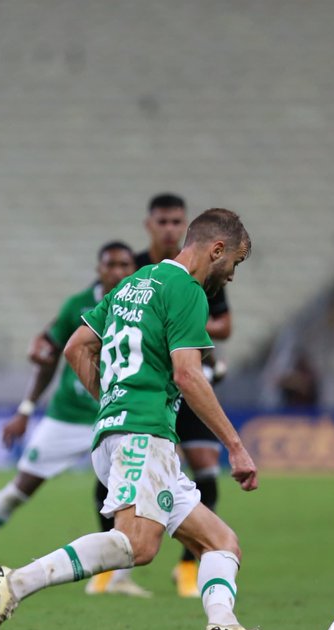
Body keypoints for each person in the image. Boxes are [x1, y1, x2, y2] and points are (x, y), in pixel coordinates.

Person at [0, 208, 289, 630]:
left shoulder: (133, 283)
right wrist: (236, 446)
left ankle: (223, 623)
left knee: (221, 542)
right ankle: (14, 582)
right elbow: (188, 375)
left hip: (122, 432)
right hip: (144, 435)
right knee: (138, 546)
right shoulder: (187, 290)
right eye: (235, 264)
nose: (233, 275)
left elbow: (76, 347)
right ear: (216, 249)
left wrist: (110, 403)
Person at [0, 241, 148, 597]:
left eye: (125, 264)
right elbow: (48, 356)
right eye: (111, 265)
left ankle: (115, 580)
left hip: (118, 415)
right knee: (19, 490)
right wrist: (25, 410)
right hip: (69, 417)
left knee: (130, 497)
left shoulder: (142, 304)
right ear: (99, 269)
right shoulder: (78, 306)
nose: (119, 271)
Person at [85, 193, 232, 599]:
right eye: (163, 221)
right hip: (154, 392)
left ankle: (190, 569)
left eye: (176, 221)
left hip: (170, 390)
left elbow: (224, 325)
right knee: (140, 541)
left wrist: (185, 330)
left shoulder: (206, 278)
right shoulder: (138, 269)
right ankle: (86, 570)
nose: (169, 228)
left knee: (204, 469)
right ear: (150, 225)